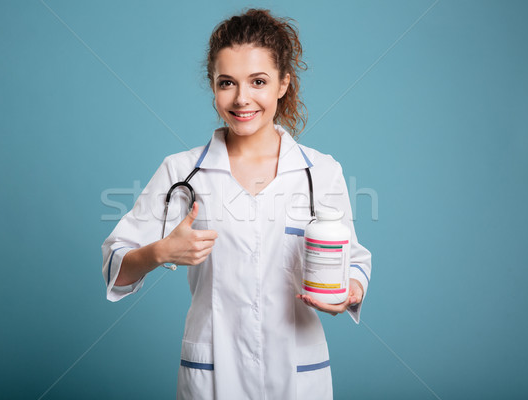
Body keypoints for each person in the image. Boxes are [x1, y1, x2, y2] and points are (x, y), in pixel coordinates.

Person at [102, 8, 372, 399]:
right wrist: (160, 252)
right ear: (213, 87)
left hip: (298, 374)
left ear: (283, 84)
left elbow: (355, 262)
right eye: (227, 83)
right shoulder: (183, 173)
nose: (242, 98)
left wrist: (350, 290)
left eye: (258, 81)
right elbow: (116, 268)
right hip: (213, 372)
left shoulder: (321, 172)